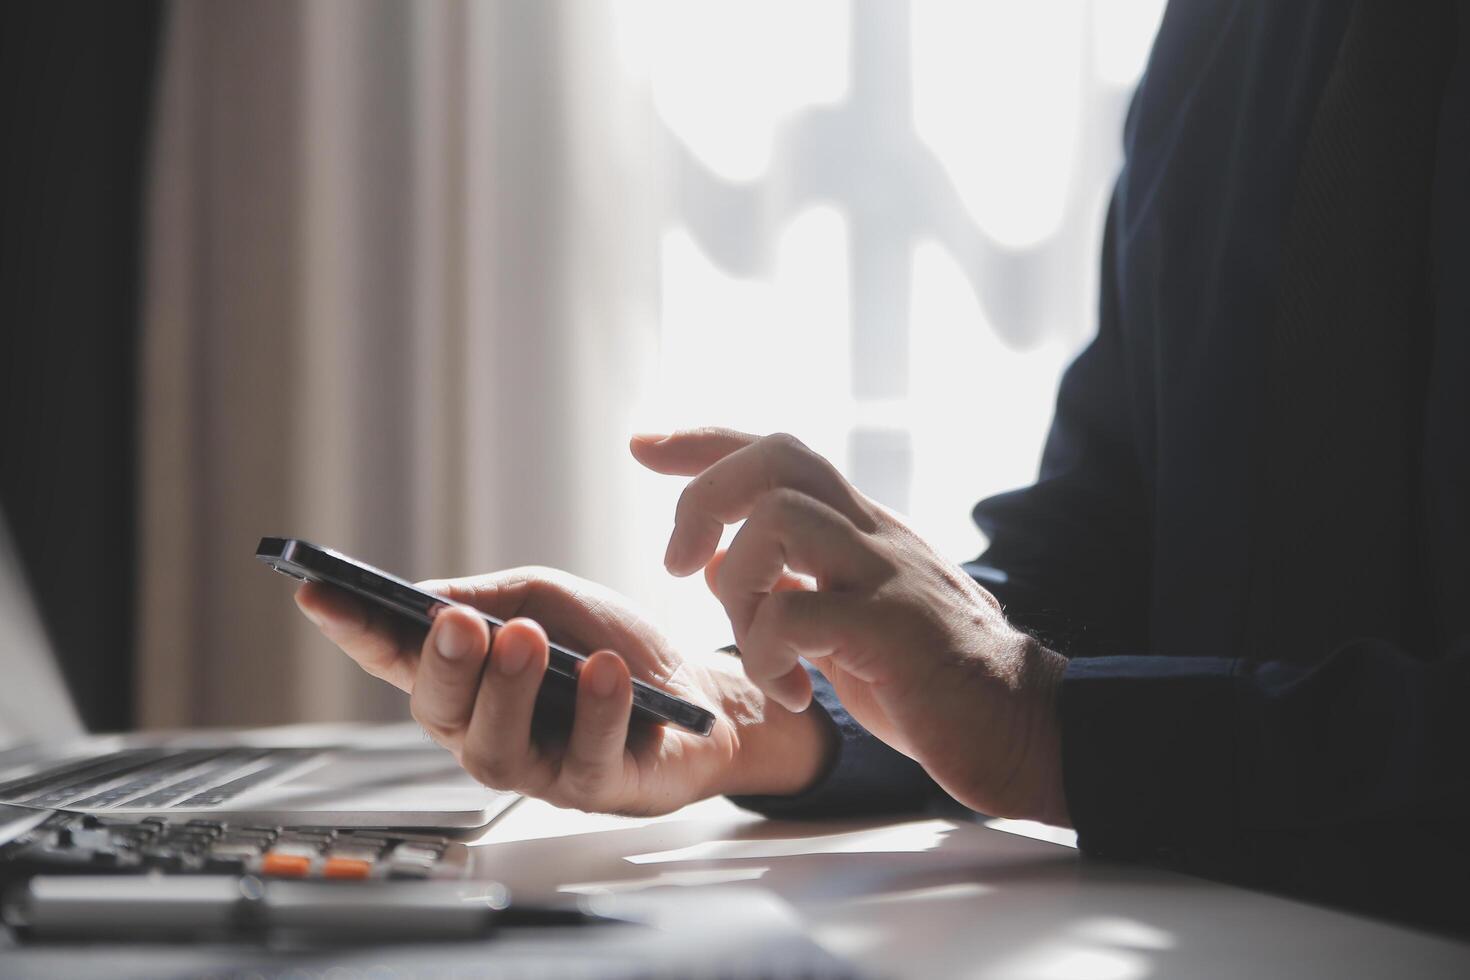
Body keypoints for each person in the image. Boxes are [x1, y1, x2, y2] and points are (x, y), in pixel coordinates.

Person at [297, 0, 1470, 931]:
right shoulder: (1222, 30)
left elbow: (1046, 694)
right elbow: (1110, 540)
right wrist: (752, 711)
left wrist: (1047, 724)